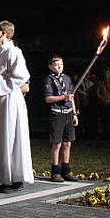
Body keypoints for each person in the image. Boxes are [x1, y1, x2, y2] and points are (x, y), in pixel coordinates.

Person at [0, 20, 34, 193]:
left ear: (4, 33)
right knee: (1, 137)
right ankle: (2, 176)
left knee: (12, 136)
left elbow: (21, 76)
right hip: (0, 99)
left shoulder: (14, 51)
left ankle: (15, 178)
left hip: (11, 99)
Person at [43, 54, 79, 182]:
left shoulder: (67, 79)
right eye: (56, 65)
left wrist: (74, 114)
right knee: (57, 143)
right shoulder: (49, 80)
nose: (59, 67)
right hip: (57, 113)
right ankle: (55, 170)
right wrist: (63, 98)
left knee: (68, 142)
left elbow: (71, 97)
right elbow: (48, 99)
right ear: (50, 66)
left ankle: (66, 169)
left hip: (68, 112)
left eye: (61, 64)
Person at [96, 68, 110, 139]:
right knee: (104, 119)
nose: (106, 75)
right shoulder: (101, 83)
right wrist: (103, 99)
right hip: (103, 103)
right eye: (105, 73)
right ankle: (105, 134)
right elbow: (97, 92)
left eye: (108, 73)